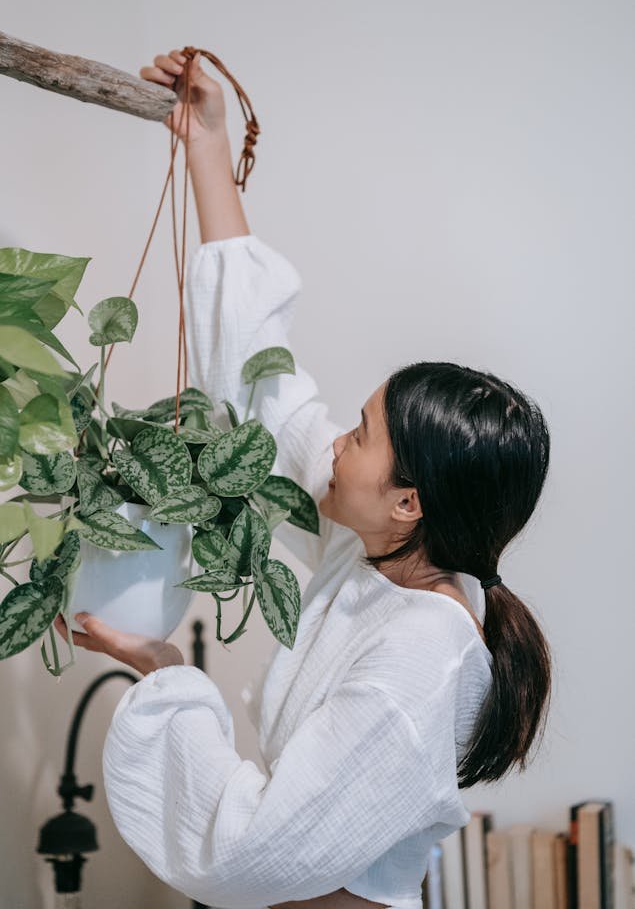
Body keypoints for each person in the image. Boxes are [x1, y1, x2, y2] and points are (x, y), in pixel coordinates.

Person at [55, 49, 553, 909]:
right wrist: (207, 144)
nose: (332, 447)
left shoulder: (422, 656)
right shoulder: (375, 555)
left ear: (408, 501)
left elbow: (253, 850)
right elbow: (264, 389)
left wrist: (168, 673)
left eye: (359, 435)